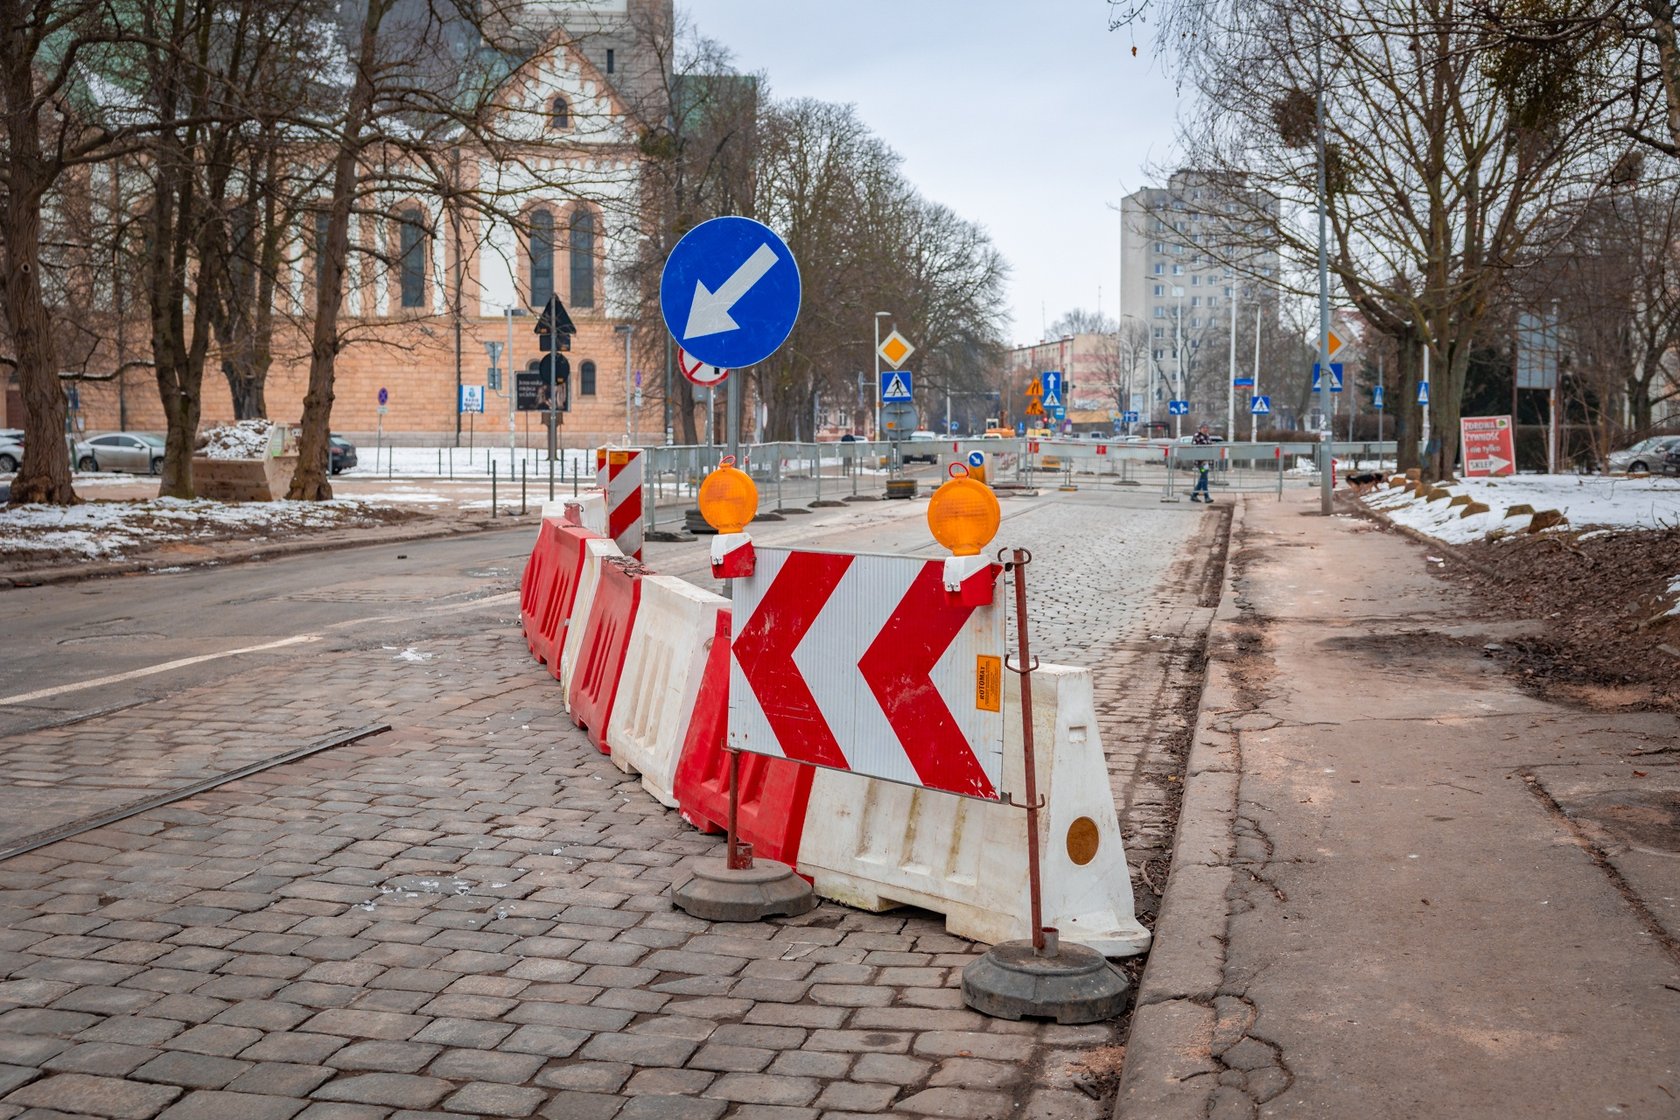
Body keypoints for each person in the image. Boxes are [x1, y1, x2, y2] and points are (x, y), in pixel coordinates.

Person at [1190, 422, 1214, 503]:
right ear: (1200, 429)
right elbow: (1195, 448)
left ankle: (1194, 495)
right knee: (1204, 477)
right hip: (1200, 462)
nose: (1205, 429)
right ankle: (1206, 496)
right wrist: (1201, 459)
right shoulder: (1197, 436)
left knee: (1203, 478)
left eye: (1206, 428)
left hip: (1206, 461)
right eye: (1204, 428)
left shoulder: (1207, 436)